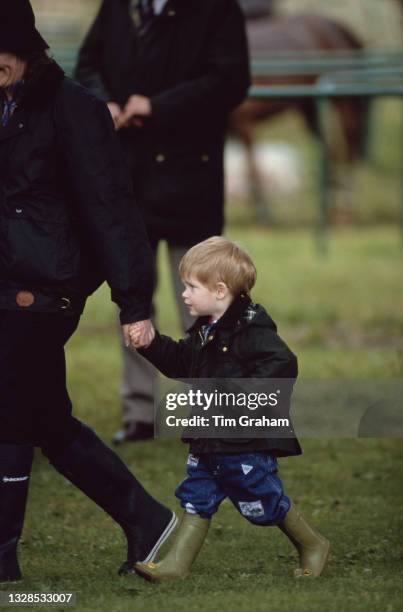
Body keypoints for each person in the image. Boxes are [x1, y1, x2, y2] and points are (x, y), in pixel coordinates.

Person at [0, 0, 177, 583]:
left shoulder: (73, 109)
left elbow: (112, 210)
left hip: (45, 294)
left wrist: (133, 301)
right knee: (46, 418)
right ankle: (147, 520)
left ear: (24, 51)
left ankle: (3, 563)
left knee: (11, 415)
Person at [75, 0, 251, 443]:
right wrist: (106, 103)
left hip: (190, 177)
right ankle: (140, 411)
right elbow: (88, 63)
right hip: (129, 180)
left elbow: (230, 80)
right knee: (133, 301)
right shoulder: (119, 6)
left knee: (205, 300)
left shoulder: (216, 9)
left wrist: (157, 106)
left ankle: (212, 412)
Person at [130, 237, 330, 581]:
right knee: (197, 496)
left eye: (192, 286)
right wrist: (151, 344)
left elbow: (282, 365)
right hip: (209, 439)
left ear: (220, 290)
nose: (184, 294)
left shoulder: (252, 329)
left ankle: (313, 545)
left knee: (264, 501)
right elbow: (182, 362)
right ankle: (176, 566)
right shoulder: (205, 331)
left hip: (244, 441)